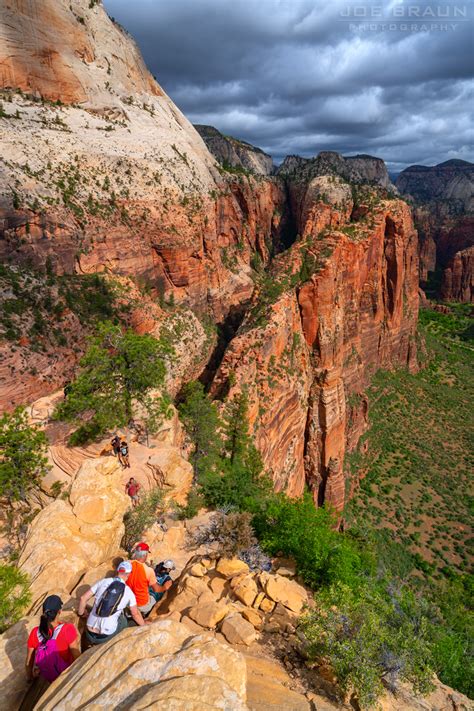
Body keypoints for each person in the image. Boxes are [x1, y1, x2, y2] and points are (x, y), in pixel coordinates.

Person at [77, 561, 147, 646]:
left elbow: (83, 598)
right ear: (129, 574)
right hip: (105, 636)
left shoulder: (102, 582)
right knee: (123, 619)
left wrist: (81, 613)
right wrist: (144, 627)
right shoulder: (128, 592)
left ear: (118, 571)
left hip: (89, 632)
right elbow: (135, 614)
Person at [25, 595, 80, 683]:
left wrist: (30, 678)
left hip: (51, 678)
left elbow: (28, 662)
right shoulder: (67, 629)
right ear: (59, 611)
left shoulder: (35, 632)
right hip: (67, 675)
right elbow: (77, 656)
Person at [127, 543, 172, 616]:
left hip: (127, 600)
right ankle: (145, 614)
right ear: (145, 555)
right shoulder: (148, 571)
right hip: (140, 604)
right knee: (153, 598)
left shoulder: (126, 563)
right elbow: (157, 589)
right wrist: (165, 587)